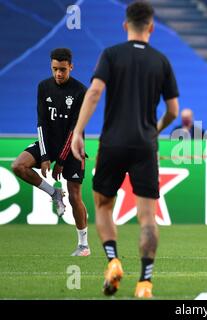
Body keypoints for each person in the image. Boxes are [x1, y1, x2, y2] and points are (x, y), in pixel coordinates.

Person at [71, 1, 179, 299]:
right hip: (145, 144)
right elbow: (173, 110)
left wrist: (78, 131)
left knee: (104, 205)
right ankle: (145, 284)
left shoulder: (111, 54)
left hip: (113, 142)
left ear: (125, 25)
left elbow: (94, 92)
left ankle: (113, 260)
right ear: (152, 27)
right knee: (147, 217)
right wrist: (153, 131)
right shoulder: (161, 61)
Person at [11, 48, 90, 257]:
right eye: (55, 69)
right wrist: (45, 157)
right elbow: (41, 123)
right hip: (48, 143)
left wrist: (61, 161)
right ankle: (53, 192)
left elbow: (75, 129)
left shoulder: (81, 91)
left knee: (74, 197)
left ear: (71, 67)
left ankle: (83, 245)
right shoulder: (43, 87)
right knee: (18, 165)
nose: (58, 74)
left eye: (63, 69)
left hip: (73, 147)